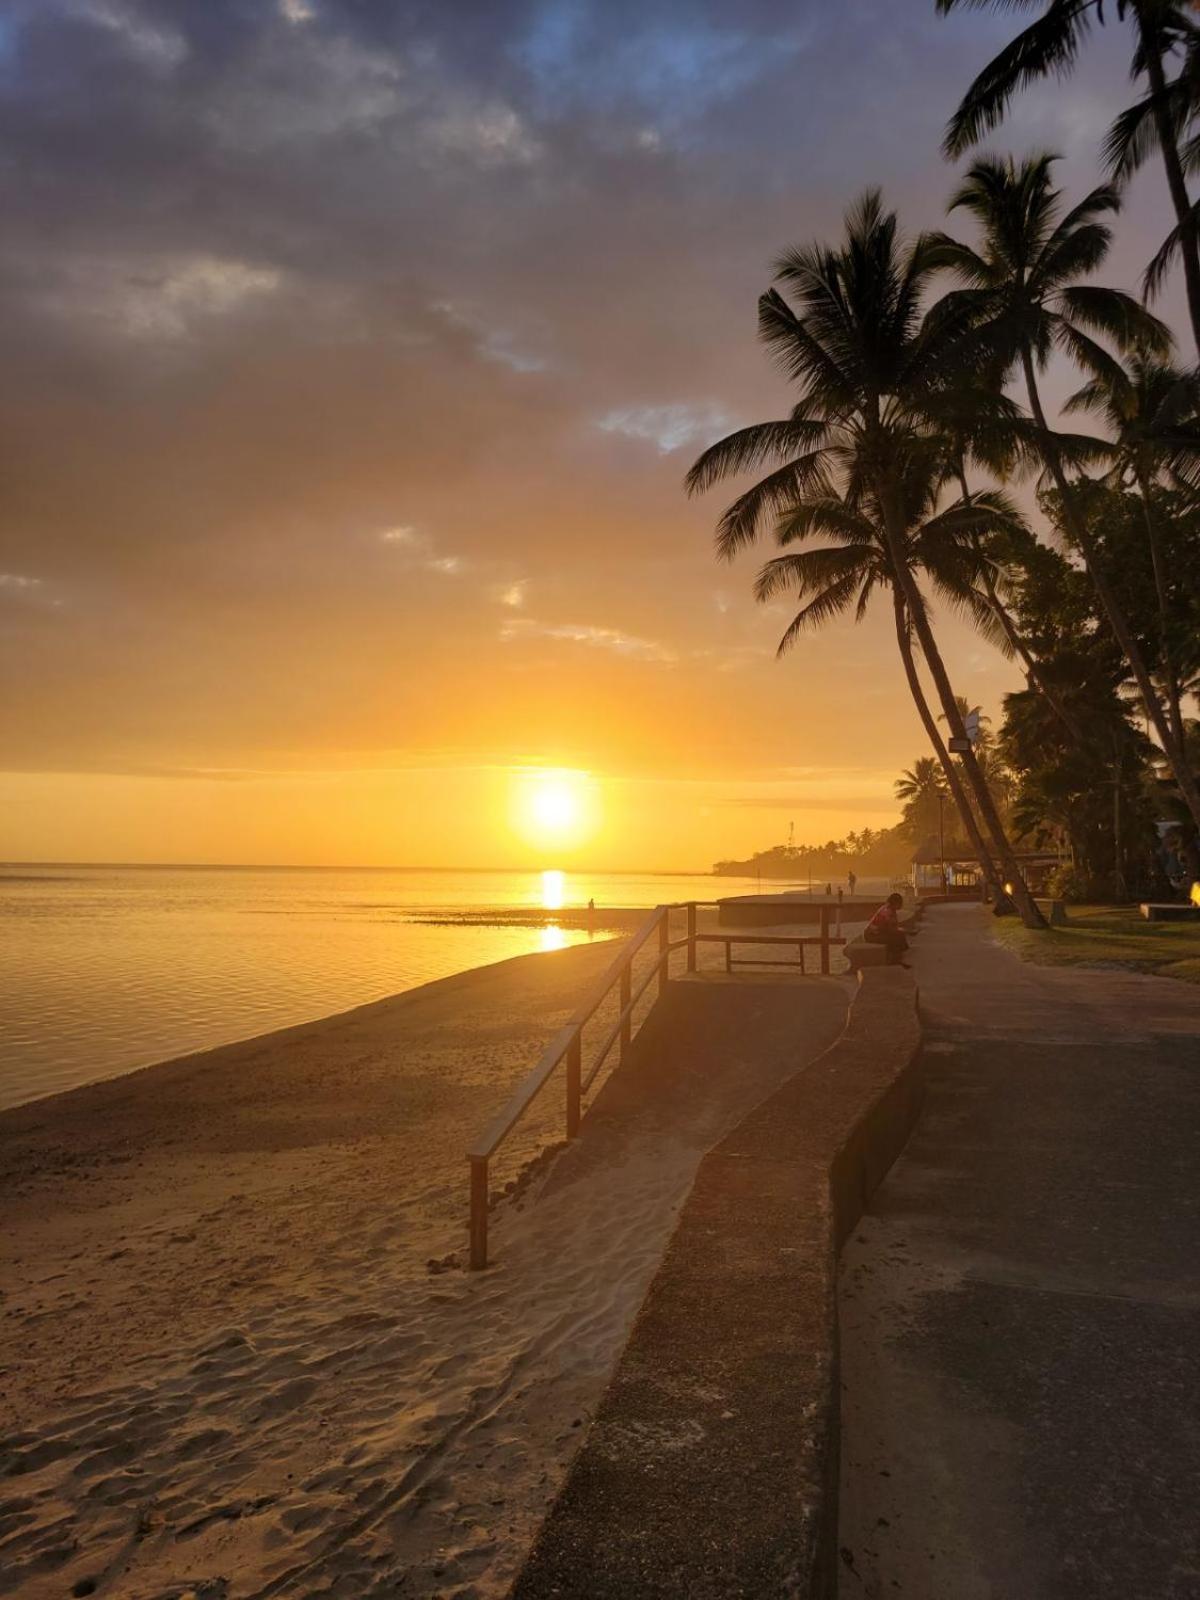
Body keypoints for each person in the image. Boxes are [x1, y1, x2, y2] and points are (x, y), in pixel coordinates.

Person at [864, 893, 909, 965]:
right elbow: (890, 928)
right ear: (895, 903)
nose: (901, 905)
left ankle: (898, 959)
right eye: (900, 903)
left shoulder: (892, 910)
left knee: (899, 936)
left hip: (878, 933)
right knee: (895, 939)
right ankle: (895, 961)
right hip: (871, 935)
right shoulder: (887, 911)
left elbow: (893, 926)